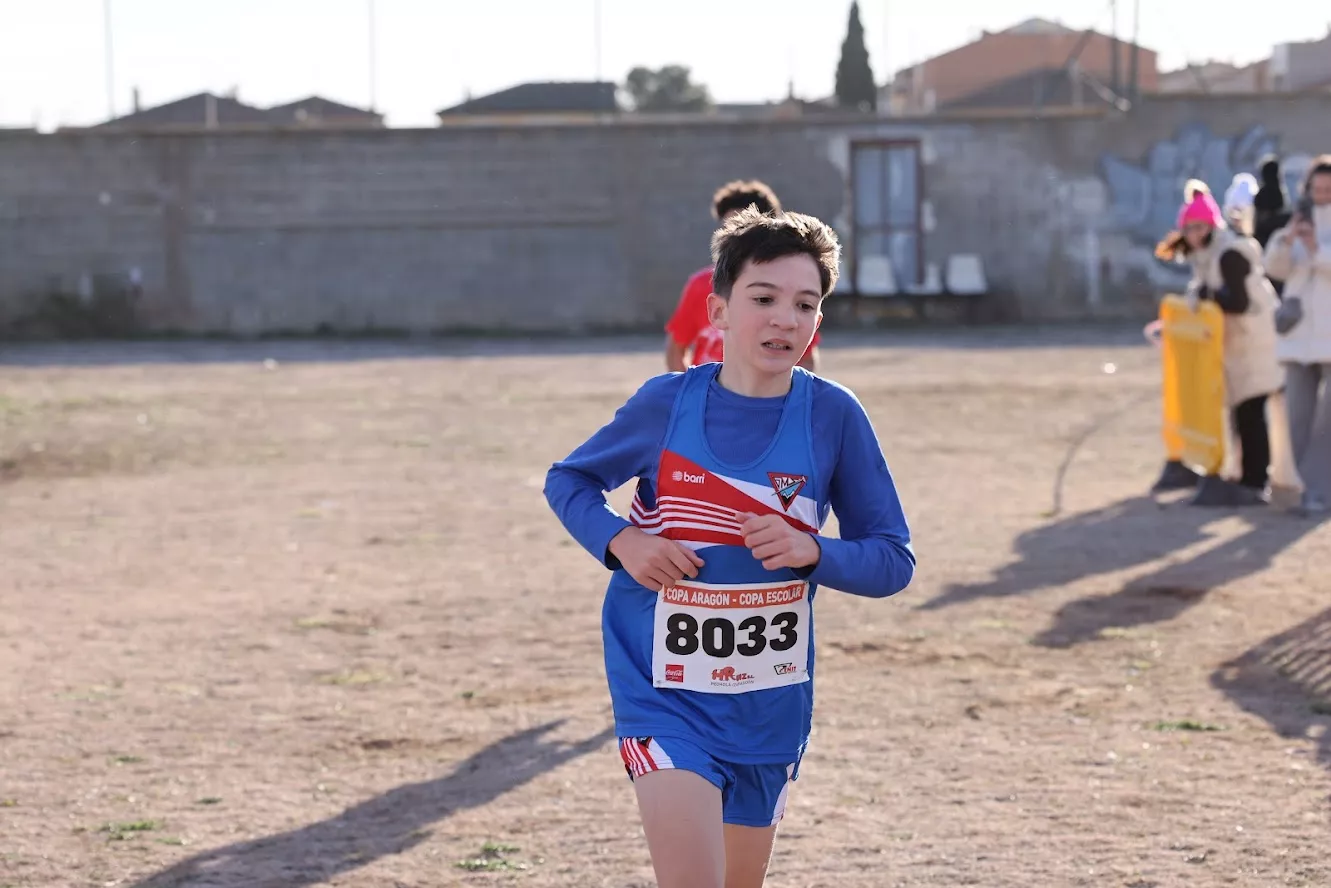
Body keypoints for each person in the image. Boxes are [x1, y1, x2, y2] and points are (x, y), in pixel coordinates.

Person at [545, 207, 915, 887]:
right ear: (718, 309)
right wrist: (621, 540)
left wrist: (812, 552)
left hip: (767, 706)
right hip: (661, 692)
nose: (784, 319)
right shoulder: (665, 406)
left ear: (818, 323)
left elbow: (891, 559)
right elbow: (568, 480)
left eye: (804, 304)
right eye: (763, 298)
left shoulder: (833, 415)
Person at [1154, 179, 1286, 506]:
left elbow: (1237, 302)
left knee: (1251, 412)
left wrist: (1205, 296)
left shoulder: (1229, 254)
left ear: (1211, 226)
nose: (1195, 234)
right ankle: (1244, 474)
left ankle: (1256, 482)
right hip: (1236, 345)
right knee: (1239, 412)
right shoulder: (1207, 253)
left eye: (1200, 227)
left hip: (1254, 343)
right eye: (1190, 228)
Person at [665, 180, 821, 373]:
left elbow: (805, 358)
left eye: (744, 231)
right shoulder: (700, 285)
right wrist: (689, 394)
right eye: (729, 230)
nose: (736, 240)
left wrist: (794, 398)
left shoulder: (789, 286)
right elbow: (676, 348)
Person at [1264, 155, 1331, 514]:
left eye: (1328, 190)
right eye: (1316, 189)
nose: (1322, 195)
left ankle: (1320, 489)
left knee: (1327, 423)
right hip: (1298, 335)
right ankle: (1298, 487)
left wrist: (1317, 251)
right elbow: (1273, 268)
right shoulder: (1296, 221)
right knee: (1297, 420)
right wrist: (1289, 240)